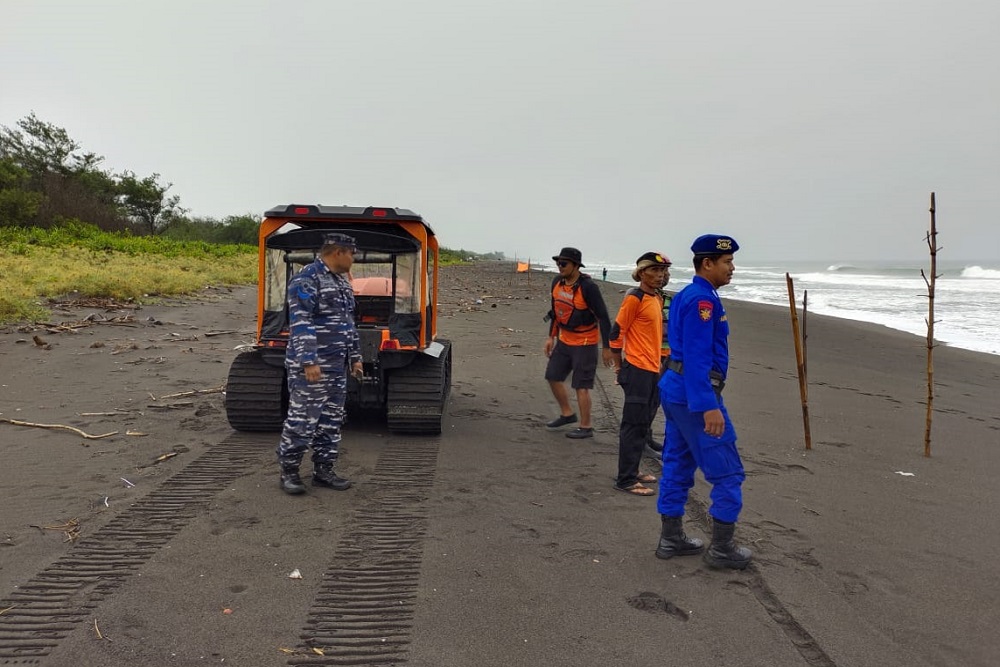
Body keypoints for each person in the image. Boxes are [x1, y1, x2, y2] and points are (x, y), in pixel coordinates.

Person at [655, 234, 752, 570]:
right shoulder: (702, 302)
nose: (732, 268)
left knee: (678, 462)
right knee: (728, 472)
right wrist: (708, 405)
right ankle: (722, 548)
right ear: (707, 263)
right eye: (727, 262)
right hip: (694, 394)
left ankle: (671, 538)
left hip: (676, 388)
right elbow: (697, 357)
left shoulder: (689, 294)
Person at [277, 233, 364, 495]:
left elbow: (348, 323)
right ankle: (289, 471)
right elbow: (301, 322)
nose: (354, 257)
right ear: (338, 252)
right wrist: (308, 360)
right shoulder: (307, 279)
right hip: (312, 368)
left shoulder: (341, 282)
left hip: (337, 365)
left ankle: (323, 470)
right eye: (352, 252)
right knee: (302, 420)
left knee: (331, 420)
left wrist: (356, 357)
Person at [608, 252, 671, 496]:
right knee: (632, 425)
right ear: (642, 272)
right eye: (654, 270)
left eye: (662, 271)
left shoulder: (654, 298)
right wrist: (618, 366)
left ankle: (633, 471)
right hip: (637, 368)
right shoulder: (634, 297)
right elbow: (617, 333)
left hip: (653, 368)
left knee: (643, 424)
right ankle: (625, 479)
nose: (659, 275)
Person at [544, 247, 614, 439]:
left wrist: (607, 348)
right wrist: (551, 337)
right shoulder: (557, 283)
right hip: (565, 340)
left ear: (576, 266)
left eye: (563, 264)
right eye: (558, 263)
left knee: (581, 386)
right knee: (552, 376)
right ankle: (567, 414)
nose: (560, 267)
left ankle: (586, 426)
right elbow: (555, 312)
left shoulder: (589, 287)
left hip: (585, 343)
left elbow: (604, 318)